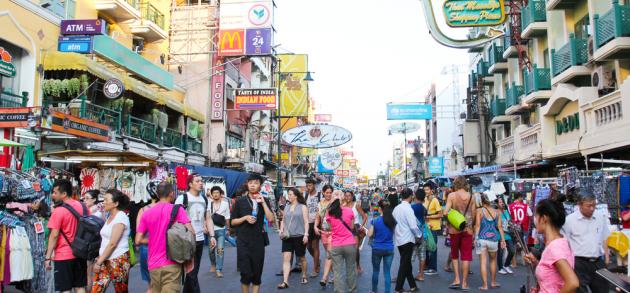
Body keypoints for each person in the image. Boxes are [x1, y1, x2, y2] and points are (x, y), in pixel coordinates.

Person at [135, 182, 193, 293]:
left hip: (153, 264)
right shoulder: (177, 210)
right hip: (172, 261)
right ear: (171, 194)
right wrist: (190, 258)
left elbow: (138, 240)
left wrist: (155, 238)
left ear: (157, 194)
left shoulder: (146, 213)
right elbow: (190, 233)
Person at [231, 174, 275, 293]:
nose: (252, 185)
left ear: (260, 185)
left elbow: (271, 219)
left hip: (258, 242)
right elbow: (232, 222)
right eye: (250, 183)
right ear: (247, 184)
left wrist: (263, 203)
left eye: (255, 183)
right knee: (245, 273)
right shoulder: (240, 201)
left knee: (257, 273)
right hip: (243, 241)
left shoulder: (264, 200)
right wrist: (244, 218)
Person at [524, 198, 579, 293]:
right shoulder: (560, 242)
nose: (535, 221)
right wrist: (536, 262)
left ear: (544, 218)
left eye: (536, 216)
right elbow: (554, 275)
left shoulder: (555, 247)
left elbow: (573, 283)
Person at [174, 173, 216, 293]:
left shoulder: (204, 199)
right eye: (197, 181)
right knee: (191, 273)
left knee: (193, 271)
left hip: (200, 239)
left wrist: (212, 236)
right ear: (190, 184)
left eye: (201, 181)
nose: (201, 183)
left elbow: (208, 218)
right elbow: (175, 219)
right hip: (186, 240)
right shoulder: (182, 199)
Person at [561, 192, 610, 293]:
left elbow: (604, 237)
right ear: (580, 205)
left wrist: (607, 257)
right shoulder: (570, 220)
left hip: (598, 261)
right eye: (589, 206)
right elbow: (564, 243)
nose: (592, 208)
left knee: (603, 289)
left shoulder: (600, 218)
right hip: (579, 263)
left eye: (594, 205)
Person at [45, 179, 89, 293]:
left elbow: (54, 235)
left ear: (64, 194)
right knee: (80, 287)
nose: (53, 195)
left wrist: (48, 257)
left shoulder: (59, 211)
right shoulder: (83, 206)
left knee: (65, 289)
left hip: (63, 255)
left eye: (55, 192)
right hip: (80, 252)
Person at [91, 189, 131, 293]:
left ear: (115, 203)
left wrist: (99, 262)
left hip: (118, 260)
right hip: (104, 258)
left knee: (121, 290)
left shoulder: (121, 217)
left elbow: (113, 243)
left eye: (106, 199)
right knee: (96, 290)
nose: (103, 202)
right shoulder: (109, 216)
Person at [444, 176, 476, 291]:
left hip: (454, 230)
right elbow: (473, 215)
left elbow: (445, 212)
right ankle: (464, 283)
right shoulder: (472, 197)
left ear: (456, 184)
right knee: (466, 256)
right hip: (468, 230)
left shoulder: (452, 196)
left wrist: (450, 223)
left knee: (455, 255)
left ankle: (457, 279)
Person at [278, 188, 309, 289]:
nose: (289, 196)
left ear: (296, 196)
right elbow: (283, 220)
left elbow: (306, 222)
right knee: (286, 259)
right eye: (288, 195)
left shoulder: (303, 207)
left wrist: (306, 234)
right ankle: (285, 281)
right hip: (287, 237)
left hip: (299, 236)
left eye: (290, 194)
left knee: (302, 258)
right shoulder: (286, 207)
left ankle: (304, 275)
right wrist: (281, 230)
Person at [474, 192, 506, 291]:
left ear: (482, 200)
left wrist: (475, 237)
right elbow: (500, 227)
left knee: (483, 263)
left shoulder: (479, 210)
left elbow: (478, 225)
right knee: (493, 261)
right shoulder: (497, 212)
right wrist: (503, 240)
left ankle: (485, 285)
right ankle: (493, 282)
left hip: (482, 239)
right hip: (494, 240)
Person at [326, 191, 358, 293]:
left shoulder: (329, 213)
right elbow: (352, 227)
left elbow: (331, 229)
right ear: (342, 198)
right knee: (351, 270)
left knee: (337, 272)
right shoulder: (349, 211)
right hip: (349, 243)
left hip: (336, 245)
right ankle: (352, 290)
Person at [392, 188, 421, 293]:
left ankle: (413, 285)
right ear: (411, 196)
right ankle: (398, 288)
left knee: (406, 262)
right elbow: (413, 226)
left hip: (399, 239)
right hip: (407, 239)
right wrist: (419, 235)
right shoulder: (408, 209)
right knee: (405, 264)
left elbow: (393, 224)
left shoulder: (396, 208)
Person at [135, 183, 159, 293]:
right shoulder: (171, 209)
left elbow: (138, 236)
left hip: (147, 248)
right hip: (165, 248)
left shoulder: (143, 210)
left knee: (150, 285)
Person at [368, 200, 396, 293]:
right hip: (389, 248)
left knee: (376, 271)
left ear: (380, 209)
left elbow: (369, 234)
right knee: (387, 273)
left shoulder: (375, 221)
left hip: (377, 248)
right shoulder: (393, 221)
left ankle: (374, 291)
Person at [82, 189, 104, 289]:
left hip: (91, 245)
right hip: (89, 245)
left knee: (88, 274)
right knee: (88, 273)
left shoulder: (96, 213)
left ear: (94, 199)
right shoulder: (92, 211)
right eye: (84, 198)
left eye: (87, 198)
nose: (84, 201)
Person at [314, 185, 335, 287]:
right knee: (329, 254)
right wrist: (315, 226)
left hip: (333, 232)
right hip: (323, 232)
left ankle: (325, 277)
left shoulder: (335, 203)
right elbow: (318, 216)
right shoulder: (320, 203)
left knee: (329, 254)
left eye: (330, 192)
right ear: (323, 192)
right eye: (327, 192)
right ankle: (334, 274)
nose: (329, 194)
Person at [208, 186, 231, 278]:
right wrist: (205, 226)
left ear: (220, 194)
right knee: (211, 250)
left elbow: (227, 217)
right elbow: (206, 217)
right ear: (212, 194)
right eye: (214, 193)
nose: (215, 194)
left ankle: (218, 269)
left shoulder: (225, 204)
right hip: (211, 231)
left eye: (217, 192)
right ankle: (213, 264)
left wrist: (228, 229)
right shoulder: (209, 204)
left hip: (221, 230)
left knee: (220, 250)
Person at [343, 190, 367, 273]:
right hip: (345, 228)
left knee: (356, 249)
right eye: (346, 196)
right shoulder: (343, 206)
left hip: (355, 227)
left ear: (352, 196)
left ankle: (358, 265)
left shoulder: (356, 205)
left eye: (349, 195)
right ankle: (349, 266)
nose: (347, 197)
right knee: (347, 249)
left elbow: (364, 216)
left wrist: (362, 226)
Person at [423, 182, 442, 275]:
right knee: (426, 247)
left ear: (431, 190)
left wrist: (429, 217)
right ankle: (426, 266)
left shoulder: (435, 200)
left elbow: (440, 214)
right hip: (426, 227)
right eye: (424, 190)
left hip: (433, 227)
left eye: (427, 190)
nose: (425, 191)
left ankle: (433, 268)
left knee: (433, 247)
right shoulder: (424, 199)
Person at [304, 178, 321, 277]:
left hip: (317, 223)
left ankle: (315, 268)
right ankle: (317, 260)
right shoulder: (305, 195)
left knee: (315, 246)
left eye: (310, 185)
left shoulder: (319, 195)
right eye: (307, 185)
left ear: (314, 185)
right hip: (307, 223)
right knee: (308, 246)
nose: (308, 187)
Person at [509, 192, 533, 263]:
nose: (522, 199)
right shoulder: (526, 206)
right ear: (519, 197)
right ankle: (525, 261)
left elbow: (509, 217)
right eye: (522, 197)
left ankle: (514, 262)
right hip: (524, 227)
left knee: (514, 244)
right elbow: (531, 215)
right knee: (524, 244)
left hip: (514, 228)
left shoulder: (510, 206)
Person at [411, 188, 428, 282]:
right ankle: (421, 274)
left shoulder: (412, 207)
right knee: (422, 255)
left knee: (410, 256)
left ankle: (405, 274)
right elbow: (425, 220)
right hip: (423, 234)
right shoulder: (424, 208)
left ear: (415, 196)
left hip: (413, 235)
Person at [496, 196, 515, 275]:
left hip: (508, 234)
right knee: (500, 252)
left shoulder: (506, 212)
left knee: (512, 251)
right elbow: (495, 225)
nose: (502, 203)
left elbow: (510, 221)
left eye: (502, 202)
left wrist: (511, 224)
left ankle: (506, 265)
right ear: (497, 204)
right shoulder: (495, 212)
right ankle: (500, 268)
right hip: (499, 234)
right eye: (500, 202)